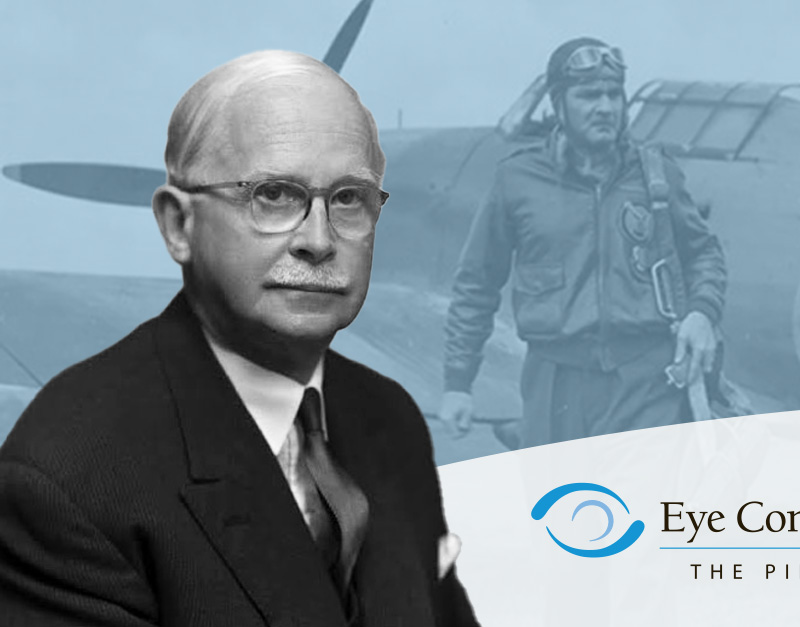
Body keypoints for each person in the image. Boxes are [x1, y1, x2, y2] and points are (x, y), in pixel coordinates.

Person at [0, 51, 477, 627]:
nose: (319, 240)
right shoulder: (67, 476)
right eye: (273, 195)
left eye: (349, 198)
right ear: (179, 225)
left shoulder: (389, 417)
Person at [441, 37, 727, 447]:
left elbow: (704, 253)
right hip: (557, 383)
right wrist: (458, 382)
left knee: (640, 507)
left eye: (614, 95)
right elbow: (477, 284)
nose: (606, 107)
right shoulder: (517, 180)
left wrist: (702, 312)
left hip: (645, 383)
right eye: (590, 95)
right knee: (558, 507)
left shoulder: (656, 175)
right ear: (559, 105)